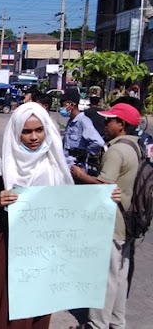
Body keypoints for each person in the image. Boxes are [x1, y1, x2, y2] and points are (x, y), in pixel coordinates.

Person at [0, 103, 76, 329]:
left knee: (37, 301)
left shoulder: (55, 164)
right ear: (16, 133)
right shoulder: (6, 165)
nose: (34, 137)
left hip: (45, 246)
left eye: (39, 130)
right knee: (7, 298)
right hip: (11, 244)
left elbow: (75, 202)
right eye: (26, 132)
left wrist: (108, 196)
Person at [71, 103, 141, 329]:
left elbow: (105, 185)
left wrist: (81, 175)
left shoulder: (116, 151)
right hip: (129, 221)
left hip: (112, 222)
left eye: (110, 119)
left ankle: (97, 324)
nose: (105, 123)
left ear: (121, 125)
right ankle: (116, 322)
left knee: (105, 276)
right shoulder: (136, 147)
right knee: (120, 276)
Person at [60, 90, 105, 171]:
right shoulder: (71, 122)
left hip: (75, 168)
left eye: (62, 104)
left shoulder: (83, 121)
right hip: (65, 166)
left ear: (72, 105)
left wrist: (84, 152)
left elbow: (98, 142)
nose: (61, 107)